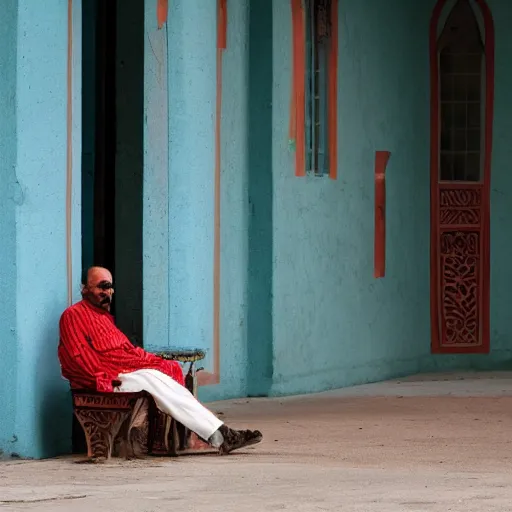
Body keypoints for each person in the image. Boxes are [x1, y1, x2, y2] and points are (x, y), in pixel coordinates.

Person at [58, 266, 262, 454]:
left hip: (123, 373)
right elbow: (78, 357)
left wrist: (154, 361)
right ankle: (219, 434)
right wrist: (104, 378)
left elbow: (128, 351)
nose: (108, 293)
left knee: (162, 374)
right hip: (106, 379)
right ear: (84, 289)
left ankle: (220, 434)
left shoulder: (103, 318)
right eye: (102, 287)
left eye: (110, 288)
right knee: (153, 378)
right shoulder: (73, 315)